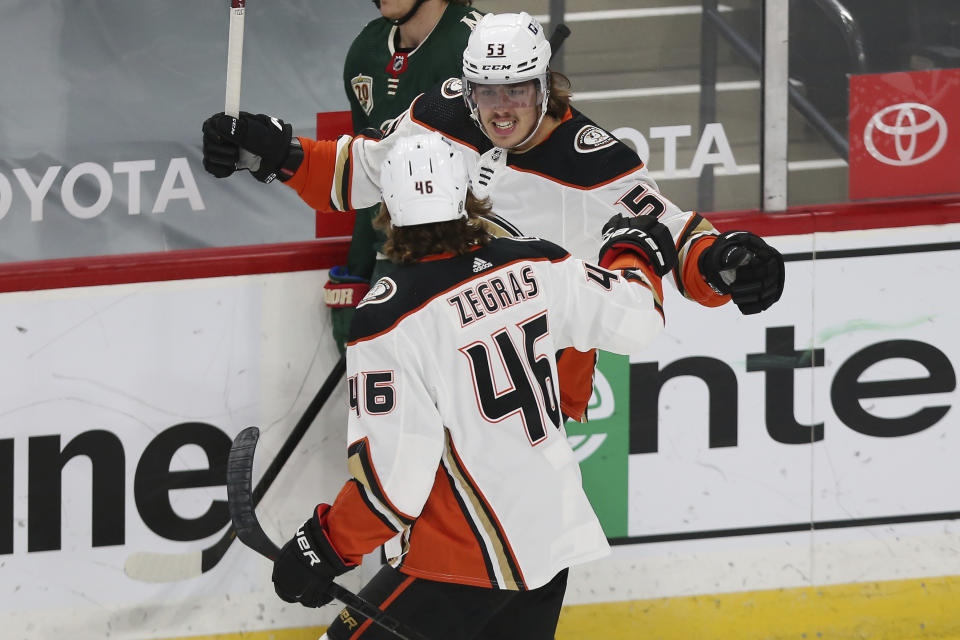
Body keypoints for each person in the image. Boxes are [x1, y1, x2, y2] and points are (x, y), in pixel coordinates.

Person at [200, 11, 785, 422]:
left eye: (517, 92)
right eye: (487, 91)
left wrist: (728, 263)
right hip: (439, 349)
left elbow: (679, 241)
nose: (501, 109)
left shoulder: (595, 164)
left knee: (504, 546)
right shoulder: (441, 113)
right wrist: (273, 152)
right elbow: (360, 173)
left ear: (544, 86)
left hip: (530, 382)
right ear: (467, 85)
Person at [268, 132, 675, 640]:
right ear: (468, 196)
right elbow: (635, 319)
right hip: (548, 538)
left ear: (387, 210)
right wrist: (631, 250)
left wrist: (324, 545)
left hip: (464, 556)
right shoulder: (537, 262)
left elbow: (395, 485)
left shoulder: (388, 319)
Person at [327, 0, 484, 355]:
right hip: (394, 258)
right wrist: (356, 273)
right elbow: (368, 177)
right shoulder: (366, 50)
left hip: (472, 261)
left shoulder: (480, 44)